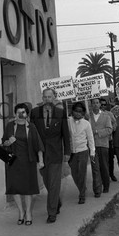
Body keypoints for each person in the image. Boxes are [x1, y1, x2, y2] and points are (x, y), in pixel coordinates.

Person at [30, 88, 71, 223]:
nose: (47, 100)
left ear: (54, 97)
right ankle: (56, 200)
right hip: (41, 154)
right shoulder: (35, 112)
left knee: (54, 183)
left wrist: (67, 153)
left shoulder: (60, 113)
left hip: (55, 153)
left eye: (49, 97)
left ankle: (51, 212)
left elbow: (66, 135)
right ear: (42, 98)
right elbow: (31, 134)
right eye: (45, 97)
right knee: (47, 181)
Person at [2, 103, 44, 225]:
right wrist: (8, 143)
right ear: (15, 114)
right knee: (15, 187)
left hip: (28, 161)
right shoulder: (10, 126)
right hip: (13, 161)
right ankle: (21, 212)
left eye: (23, 112)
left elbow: (38, 145)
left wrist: (40, 160)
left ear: (26, 114)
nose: (21, 115)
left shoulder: (31, 127)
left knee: (27, 189)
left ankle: (29, 213)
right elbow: (3, 142)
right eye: (18, 112)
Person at [67, 101, 95, 204]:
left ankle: (82, 194)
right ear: (72, 111)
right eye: (76, 111)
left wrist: (92, 152)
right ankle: (82, 188)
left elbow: (90, 138)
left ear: (83, 113)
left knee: (82, 173)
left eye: (80, 111)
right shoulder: (68, 121)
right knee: (74, 174)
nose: (78, 113)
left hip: (83, 151)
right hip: (71, 152)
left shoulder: (86, 123)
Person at [89, 98, 112, 195]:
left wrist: (98, 132)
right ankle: (97, 189)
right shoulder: (88, 117)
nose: (95, 104)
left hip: (103, 145)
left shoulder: (106, 116)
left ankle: (106, 185)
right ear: (91, 105)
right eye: (93, 103)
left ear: (99, 105)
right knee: (95, 168)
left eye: (97, 103)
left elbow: (109, 130)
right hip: (92, 146)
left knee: (104, 167)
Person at [100, 98, 117, 181]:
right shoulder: (94, 115)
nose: (103, 106)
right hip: (98, 141)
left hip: (108, 140)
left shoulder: (109, 114)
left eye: (104, 105)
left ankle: (111, 174)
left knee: (110, 159)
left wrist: (111, 130)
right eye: (101, 104)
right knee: (101, 160)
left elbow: (114, 123)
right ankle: (103, 176)